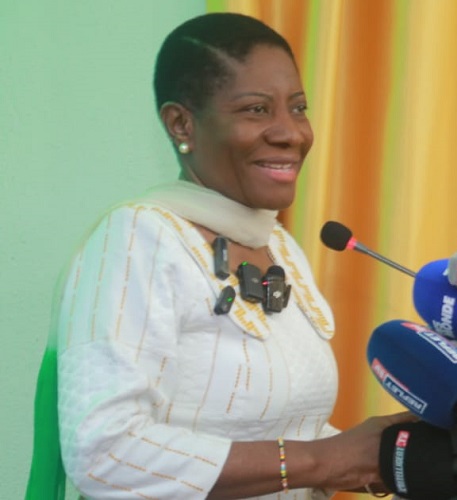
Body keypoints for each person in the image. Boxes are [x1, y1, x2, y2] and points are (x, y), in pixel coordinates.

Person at [38, 12, 414, 500]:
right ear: (181, 123)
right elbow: (105, 453)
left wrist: (388, 458)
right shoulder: (136, 239)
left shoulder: (278, 245)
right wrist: (322, 461)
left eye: (298, 108)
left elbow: (282, 433)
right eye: (257, 110)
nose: (292, 133)